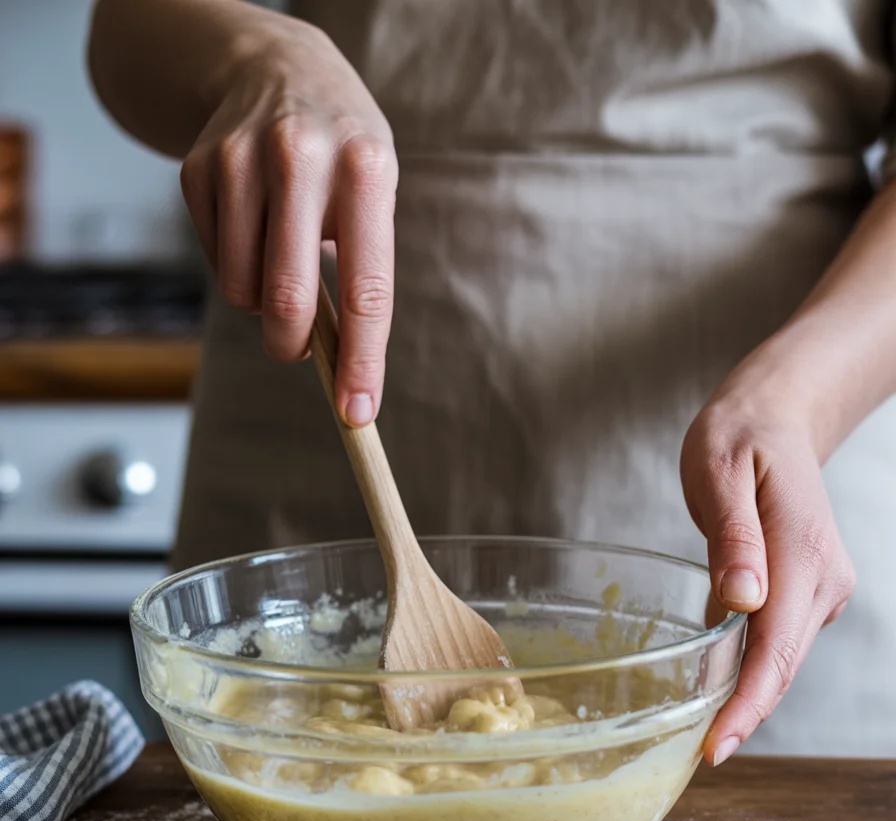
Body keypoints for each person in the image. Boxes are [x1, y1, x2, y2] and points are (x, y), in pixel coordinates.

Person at [88, 0, 896, 764]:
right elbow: (125, 30)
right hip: (310, 385)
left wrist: (793, 402)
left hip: (791, 394)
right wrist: (259, 54)